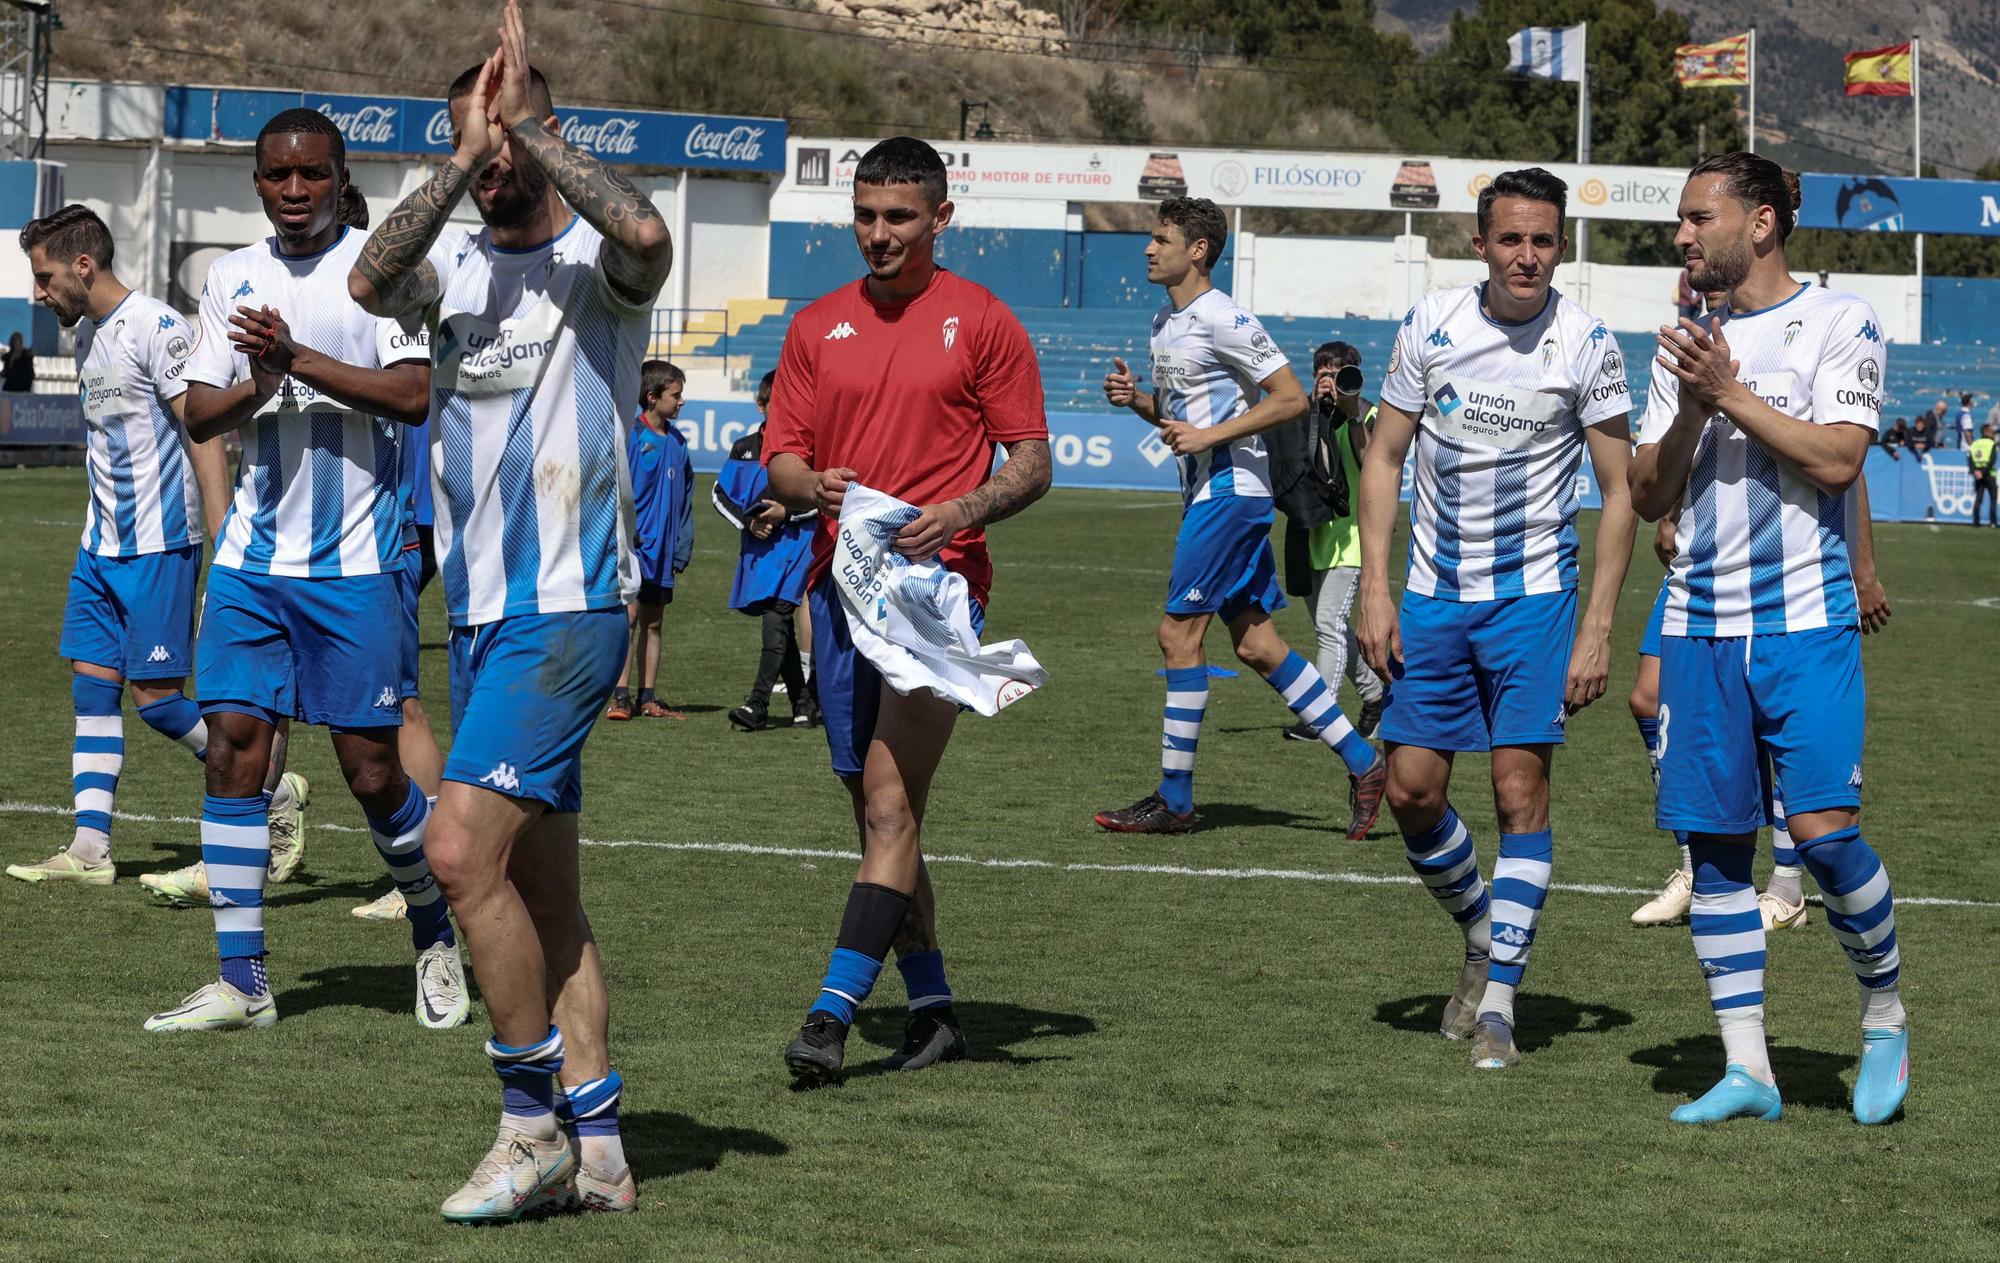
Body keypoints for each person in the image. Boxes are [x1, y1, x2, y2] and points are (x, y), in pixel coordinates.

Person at [348, 0, 673, 1218]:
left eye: (506, 148)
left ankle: (525, 1120)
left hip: (572, 603)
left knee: (449, 848)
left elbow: (645, 230)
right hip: (483, 619)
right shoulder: (452, 272)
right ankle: (600, 1150)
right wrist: (459, 147)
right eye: (476, 148)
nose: (493, 167)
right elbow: (376, 279)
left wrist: (532, 129)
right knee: (544, 896)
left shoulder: (595, 274)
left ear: (542, 136)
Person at [139, 107, 466, 1040]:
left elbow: (412, 397)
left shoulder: (382, 271)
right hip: (252, 558)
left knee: (370, 772)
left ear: (338, 176)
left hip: (357, 561)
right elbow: (203, 414)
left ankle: (435, 935)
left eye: (312, 176)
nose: (294, 192)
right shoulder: (230, 275)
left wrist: (299, 361)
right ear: (257, 182)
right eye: (278, 177)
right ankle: (242, 979)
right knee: (236, 748)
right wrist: (264, 383)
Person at [759, 135, 1051, 1084]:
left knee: (889, 807)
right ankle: (933, 1006)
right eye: (866, 216)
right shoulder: (816, 326)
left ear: (940, 219)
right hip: (837, 588)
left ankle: (830, 1016)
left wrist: (962, 511)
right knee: (881, 814)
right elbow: (782, 459)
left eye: (899, 218)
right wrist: (814, 484)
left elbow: (1031, 462)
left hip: (936, 595)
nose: (878, 235)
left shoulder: (985, 321)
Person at [1632, 150, 1908, 1127]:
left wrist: (1730, 396)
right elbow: (1645, 492)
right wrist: (1689, 410)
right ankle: (1747, 1069)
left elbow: (1838, 459)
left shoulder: (1839, 321)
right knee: (1714, 855)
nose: (1679, 234)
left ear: (1757, 223)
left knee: (1824, 839)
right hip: (1700, 625)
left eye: (1695, 216)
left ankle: (1882, 1016)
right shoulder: (1682, 343)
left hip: (1805, 623)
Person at [1356, 167, 1638, 1070]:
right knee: (1410, 789)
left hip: (1535, 600)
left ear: (1563, 245)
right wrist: (1374, 584)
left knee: (1520, 791)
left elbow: (1619, 491)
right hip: (1434, 597)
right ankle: (1484, 930)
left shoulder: (1588, 344)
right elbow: (1385, 457)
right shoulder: (1431, 325)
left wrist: (1596, 626)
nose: (1528, 256)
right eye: (1511, 239)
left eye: (1544, 240)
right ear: (1479, 243)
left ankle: (1500, 1006)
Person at [1093, 197, 1385, 839]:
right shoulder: (1165, 324)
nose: (1148, 247)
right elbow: (1186, 426)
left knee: (1178, 637)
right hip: (1210, 492)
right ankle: (1365, 763)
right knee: (1256, 644)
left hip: (1231, 493)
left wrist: (1211, 436)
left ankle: (1175, 799)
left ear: (1198, 250)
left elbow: (1289, 398)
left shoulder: (1224, 317)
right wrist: (1138, 400)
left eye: (1161, 238)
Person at [3, 205, 228, 887]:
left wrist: (223, 537)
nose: (38, 293)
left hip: (160, 545)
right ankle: (90, 848)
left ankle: (273, 790)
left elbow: (203, 427)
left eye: (44, 278)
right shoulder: (88, 336)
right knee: (92, 690)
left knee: (158, 700)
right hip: (98, 548)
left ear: (83, 265)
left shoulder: (155, 327)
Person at [1629, 483, 1892, 929]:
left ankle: (1787, 888)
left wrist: (1862, 568)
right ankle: (1695, 866)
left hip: (1786, 569)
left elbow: (1851, 465)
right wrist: (1671, 513)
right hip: (1705, 561)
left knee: (1775, 716)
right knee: (1647, 698)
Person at [1268, 340, 1386, 743]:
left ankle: (1319, 716)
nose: (1332, 380)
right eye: (1324, 371)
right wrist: (1313, 408)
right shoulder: (1304, 413)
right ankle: (1376, 695)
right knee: (1333, 630)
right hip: (1309, 534)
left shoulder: (1371, 414)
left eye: (1340, 373)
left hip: (1350, 539)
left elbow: (1372, 464)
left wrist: (1350, 412)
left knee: (1328, 626)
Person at [716, 368, 819, 731]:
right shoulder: (744, 449)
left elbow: (822, 500)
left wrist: (787, 512)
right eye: (778, 405)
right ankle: (804, 704)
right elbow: (720, 494)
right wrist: (750, 522)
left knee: (776, 620)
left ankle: (757, 705)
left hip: (797, 552)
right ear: (762, 406)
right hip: (760, 556)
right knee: (779, 627)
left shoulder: (809, 450)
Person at [607, 359, 693, 721]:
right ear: (651, 396)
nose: (681, 402)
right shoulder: (632, 436)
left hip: (663, 551)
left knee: (654, 623)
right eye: (675, 395)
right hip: (633, 548)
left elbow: (686, 498)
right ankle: (621, 696)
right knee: (628, 619)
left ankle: (648, 697)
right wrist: (624, 535)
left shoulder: (678, 442)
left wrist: (682, 544)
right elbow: (613, 489)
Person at [1971, 423, 1998, 527]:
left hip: (1978, 475)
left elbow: (1970, 460)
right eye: (1991, 431)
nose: (1993, 433)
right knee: (1993, 499)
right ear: (1987, 431)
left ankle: (1976, 522)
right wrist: (1983, 471)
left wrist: (1976, 471)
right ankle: (1993, 522)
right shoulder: (1991, 444)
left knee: (1978, 498)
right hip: (1989, 475)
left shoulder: (1975, 443)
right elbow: (1992, 460)